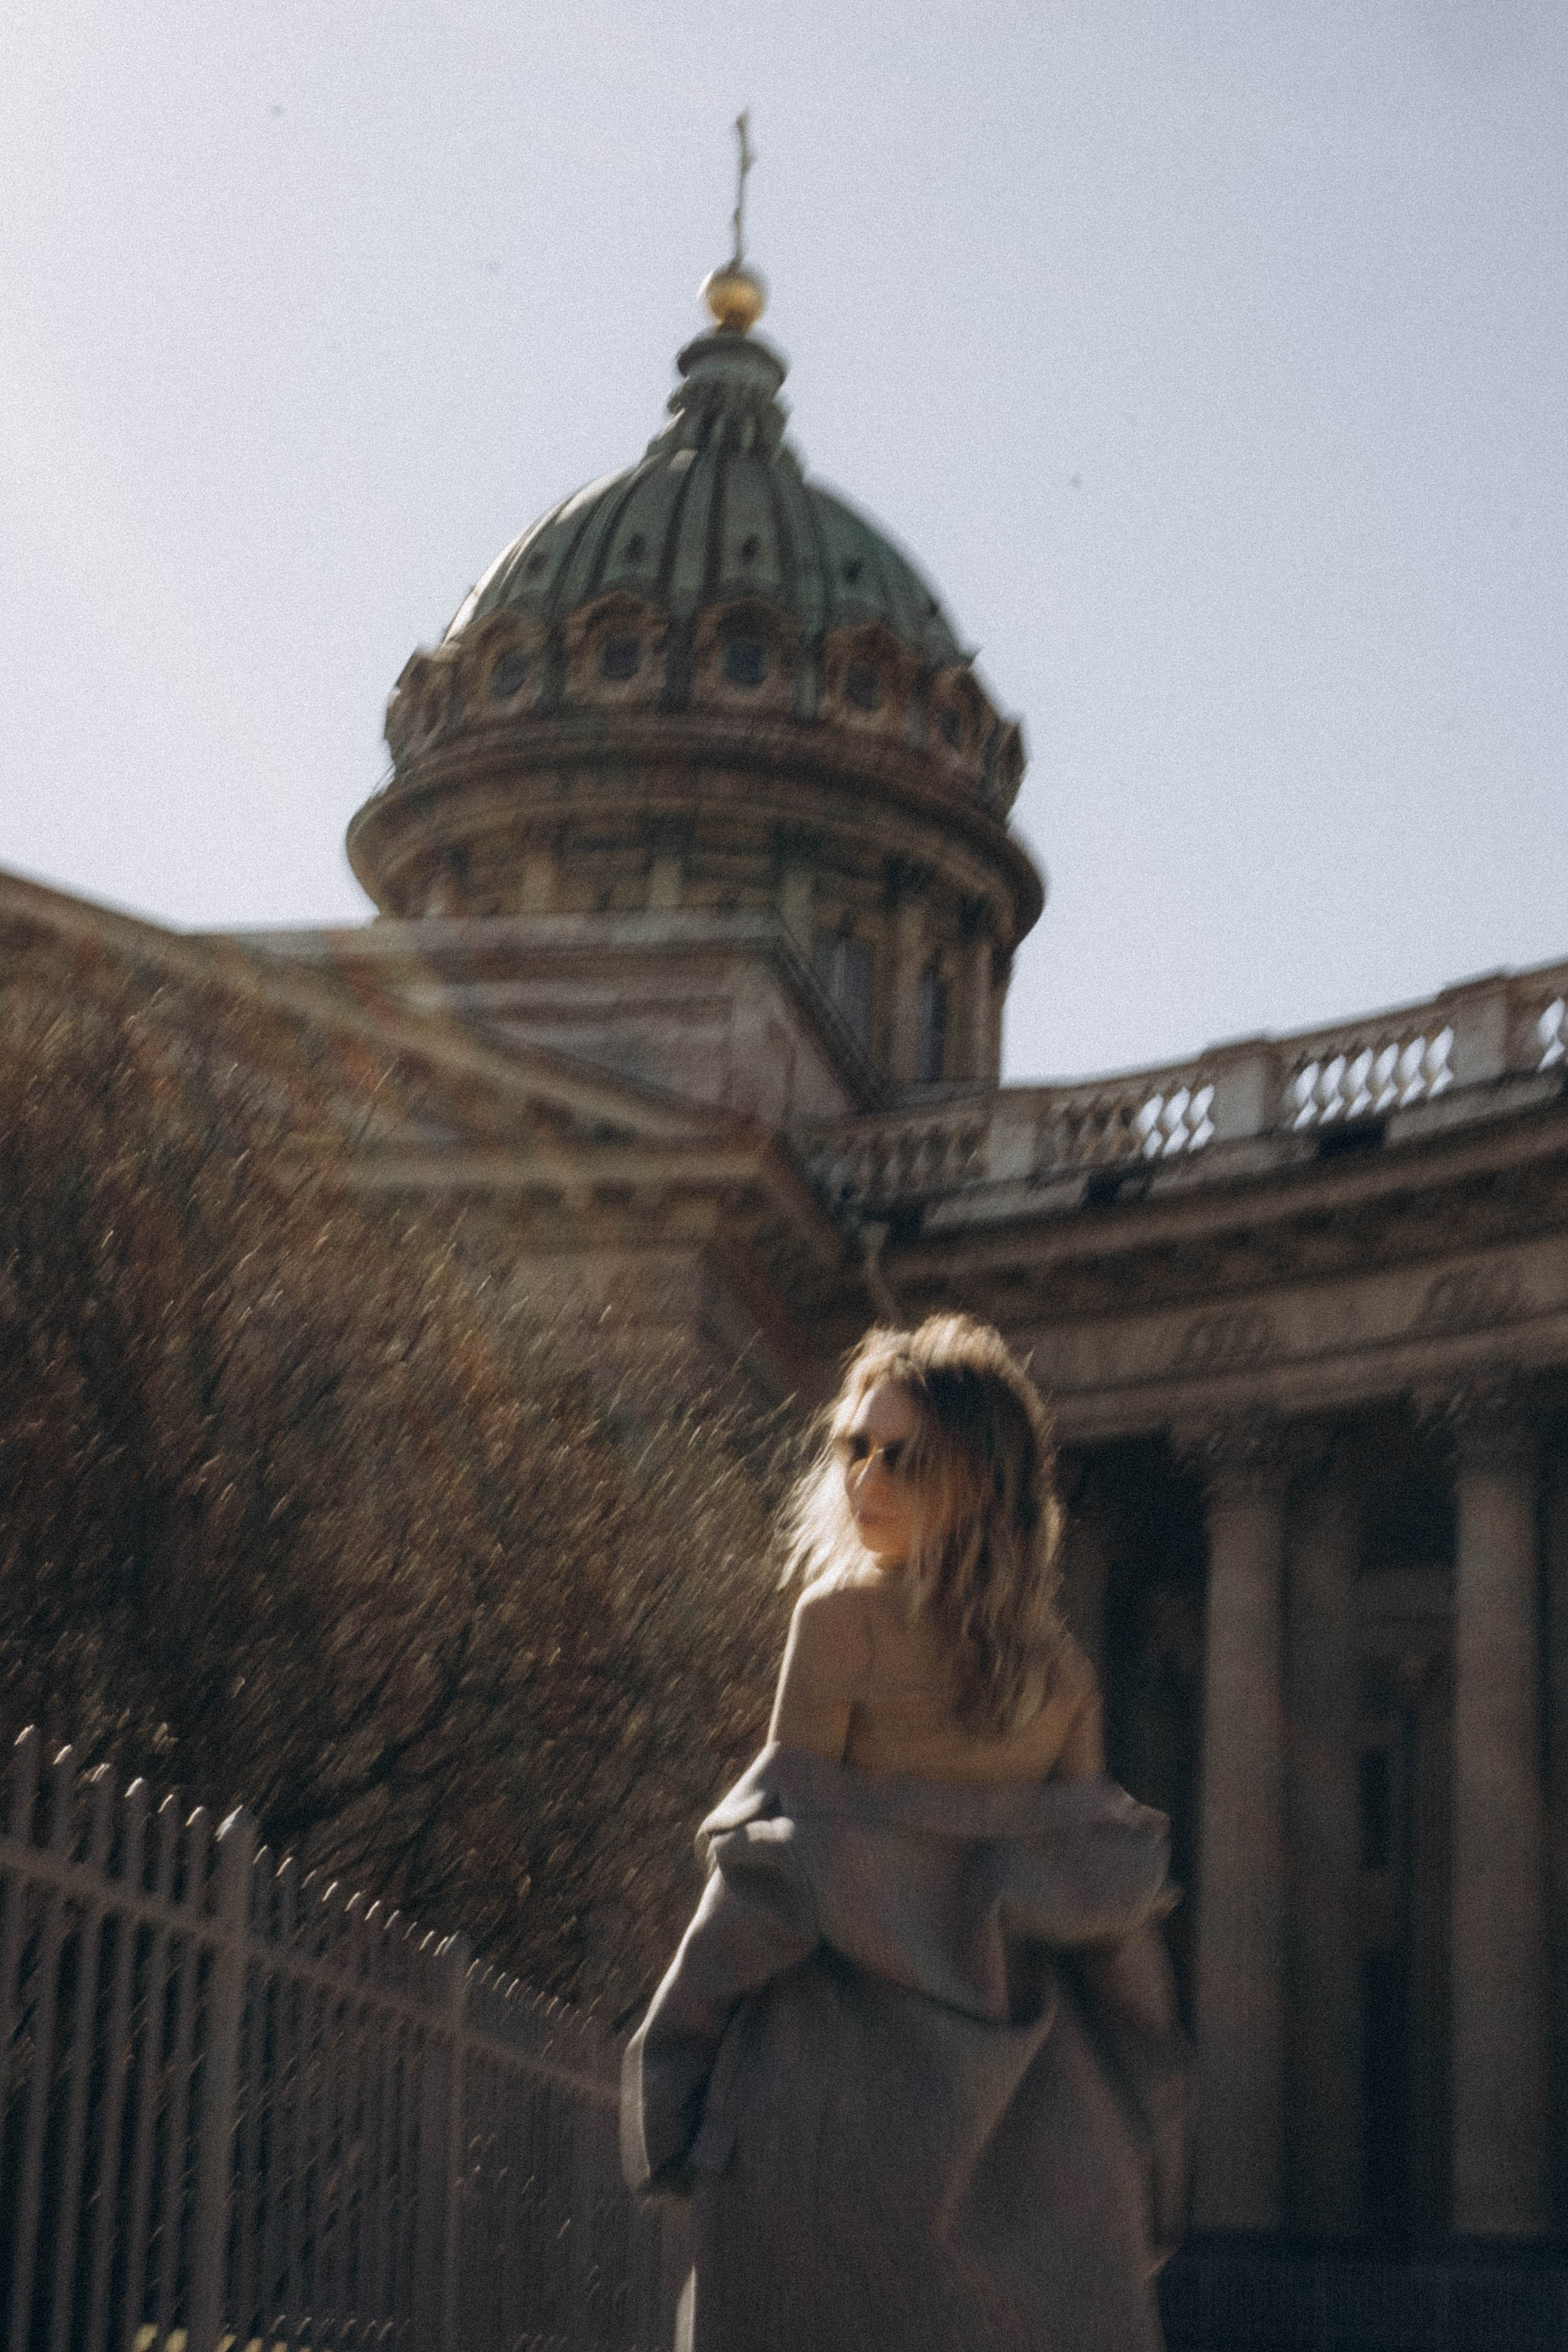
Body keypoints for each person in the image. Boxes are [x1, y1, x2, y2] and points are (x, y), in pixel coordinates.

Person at [622, 1314, 1189, 2352]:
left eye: (902, 1457)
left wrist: (671, 2065)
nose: (865, 1479)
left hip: (829, 2111)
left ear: (975, 1478)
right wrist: (1149, 2134)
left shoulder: (836, 1629)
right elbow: (1110, 1931)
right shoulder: (1062, 1678)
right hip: (1033, 2135)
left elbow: (767, 1880)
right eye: (855, 1449)